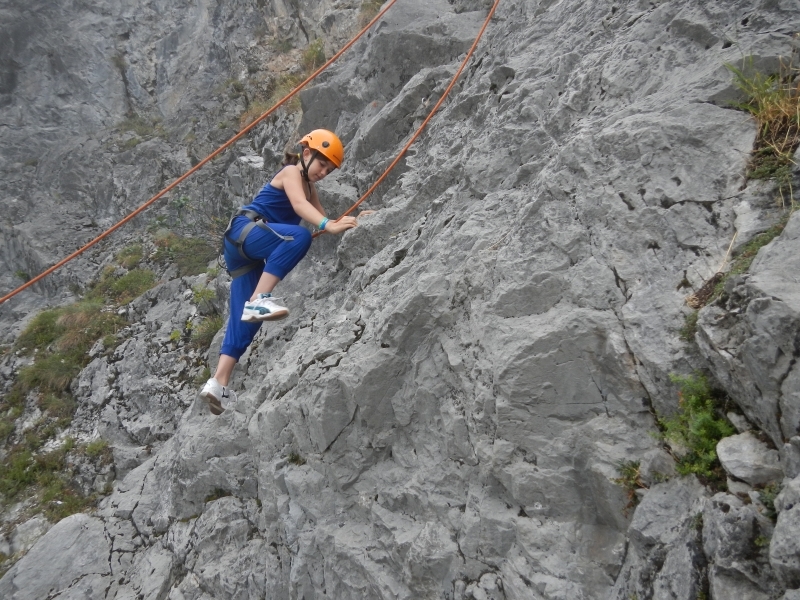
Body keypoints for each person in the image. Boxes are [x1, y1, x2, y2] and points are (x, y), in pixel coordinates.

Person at [199, 129, 364, 415]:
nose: (324, 172)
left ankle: (218, 383)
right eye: (322, 163)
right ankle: (261, 297)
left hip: (242, 251)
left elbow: (323, 219)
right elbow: (303, 210)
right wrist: (329, 224)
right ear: (307, 153)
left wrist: (356, 220)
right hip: (247, 230)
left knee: (247, 320)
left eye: (329, 168)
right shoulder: (290, 172)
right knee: (298, 237)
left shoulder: (310, 189)